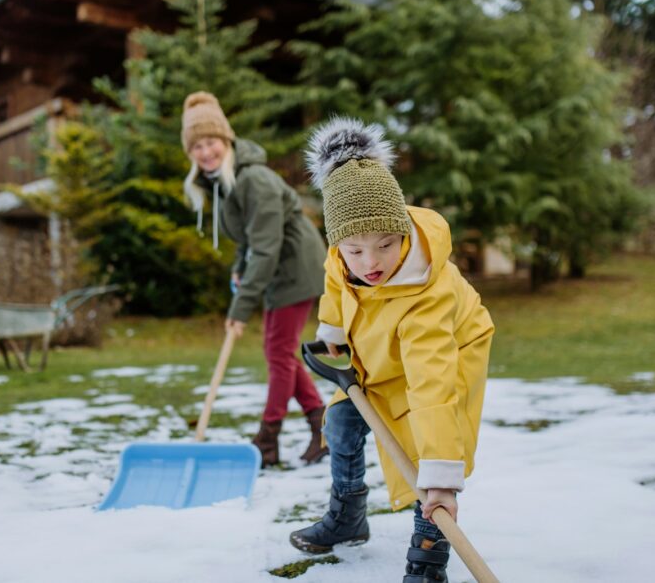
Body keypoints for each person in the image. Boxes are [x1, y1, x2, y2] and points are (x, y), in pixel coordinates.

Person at [288, 117, 494, 583]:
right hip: (378, 348)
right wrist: (333, 333)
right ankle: (348, 517)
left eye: (385, 244)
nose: (371, 262)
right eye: (355, 250)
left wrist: (443, 477)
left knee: (423, 447)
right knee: (339, 422)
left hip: (446, 352)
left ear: (402, 230)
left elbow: (431, 386)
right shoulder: (344, 258)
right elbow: (335, 285)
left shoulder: (427, 294)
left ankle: (428, 556)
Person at [181, 91, 329, 467]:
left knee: (278, 352)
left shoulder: (255, 179)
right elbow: (247, 241)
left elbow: (265, 246)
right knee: (280, 351)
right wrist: (238, 268)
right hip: (276, 267)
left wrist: (240, 307)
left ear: (226, 140)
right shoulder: (221, 182)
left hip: (294, 266)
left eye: (210, 141)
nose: (205, 151)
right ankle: (322, 424)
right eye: (196, 145)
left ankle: (268, 436)